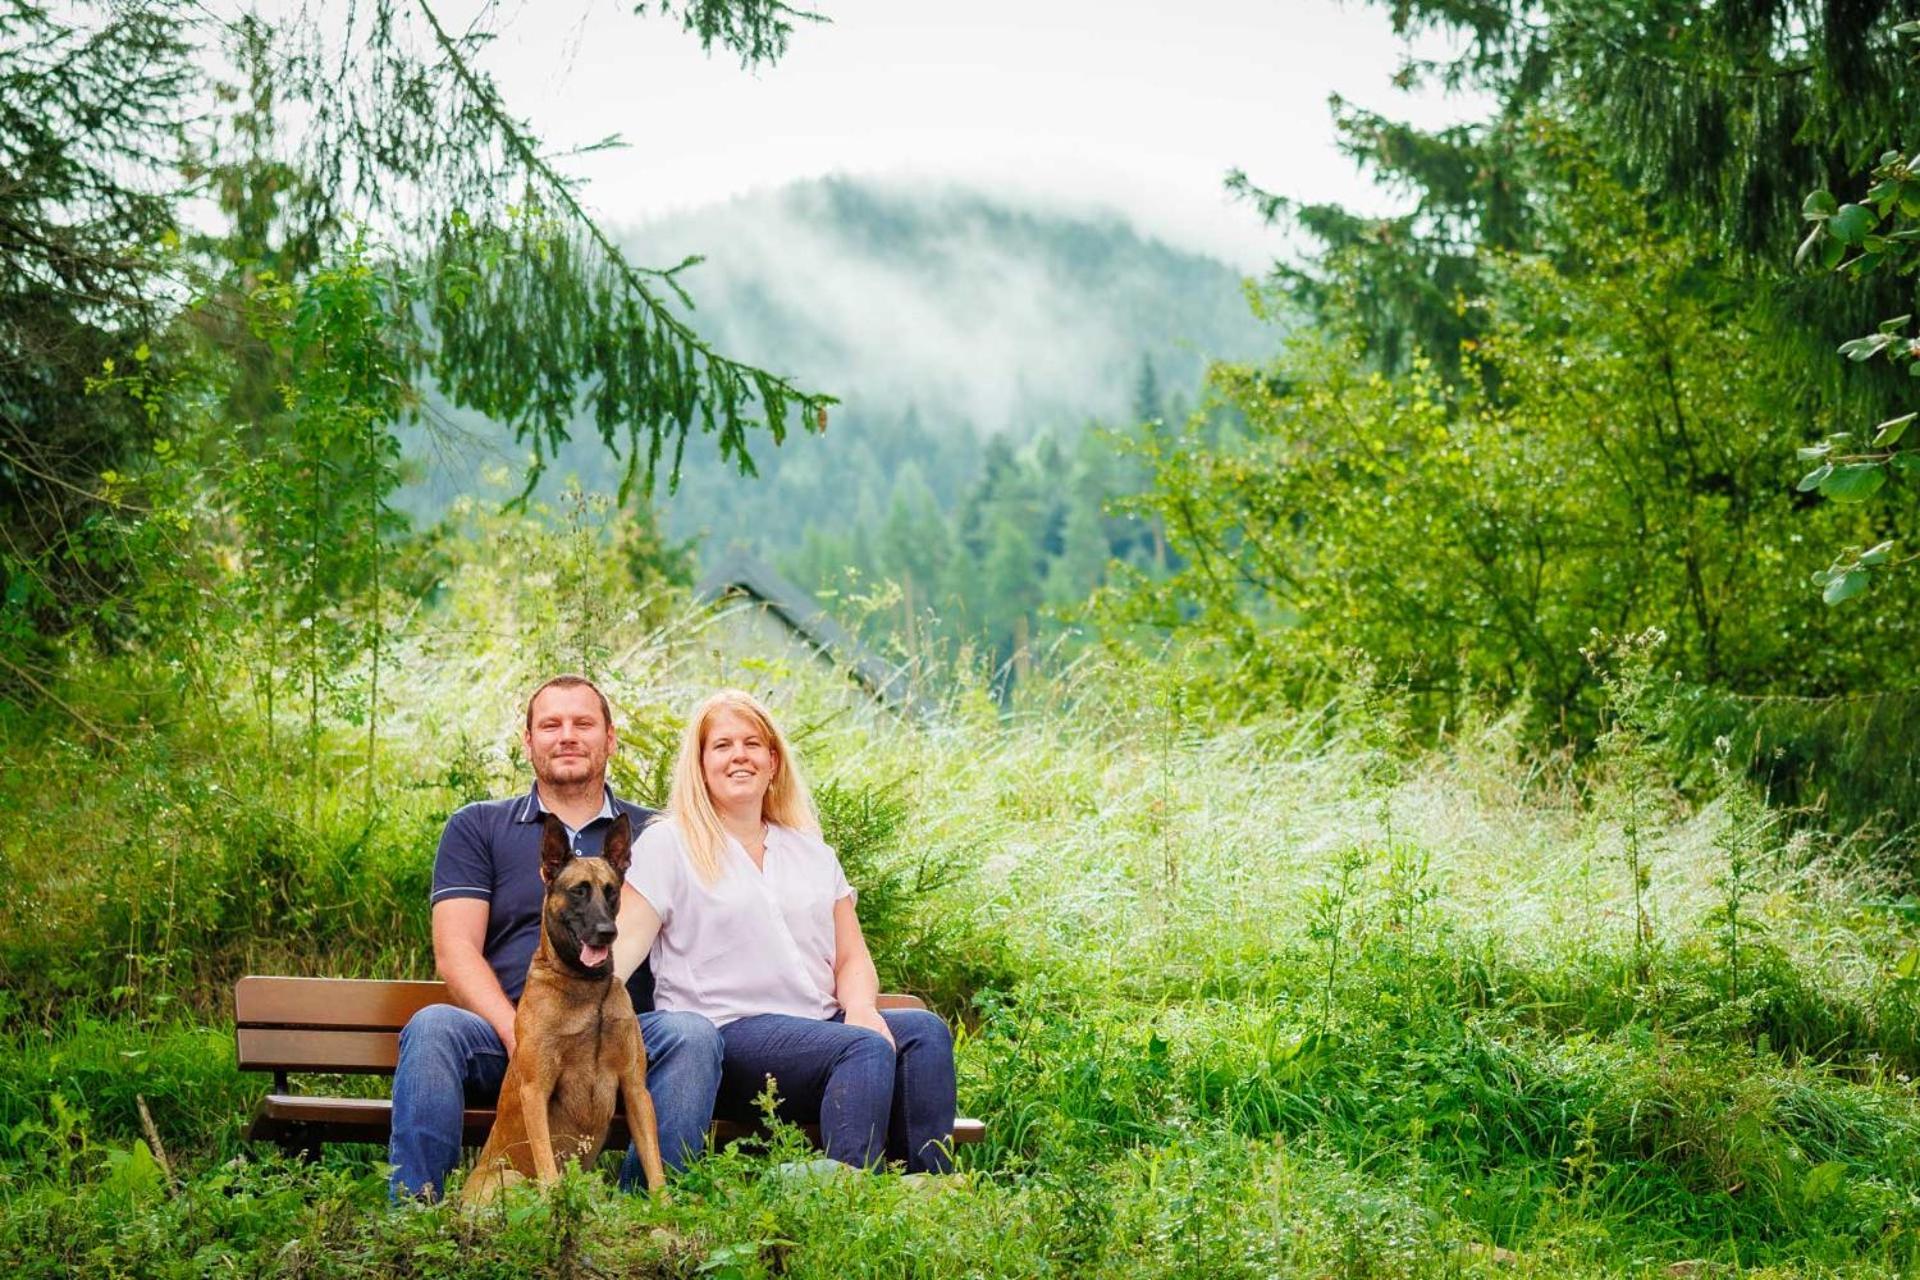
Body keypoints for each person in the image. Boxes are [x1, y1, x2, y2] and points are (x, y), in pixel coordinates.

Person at [388, 674, 723, 1201]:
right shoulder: (477, 827)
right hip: (508, 1032)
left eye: (583, 723)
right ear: (528, 741)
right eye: (551, 724)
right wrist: (520, 1034)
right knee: (433, 1027)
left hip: (617, 1031)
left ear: (610, 738)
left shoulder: (658, 833)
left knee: (694, 1036)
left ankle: (645, 1215)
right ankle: (414, 1214)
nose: (567, 735)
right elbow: (456, 954)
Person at [613, 689, 957, 1175]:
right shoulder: (670, 844)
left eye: (752, 744)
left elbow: (851, 959)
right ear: (700, 763)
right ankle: (846, 1204)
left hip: (818, 1028)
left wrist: (860, 1007)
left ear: (773, 761)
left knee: (924, 1033)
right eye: (723, 745)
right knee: (862, 1047)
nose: (740, 756)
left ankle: (926, 1193)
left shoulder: (811, 851)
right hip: (726, 1034)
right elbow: (623, 947)